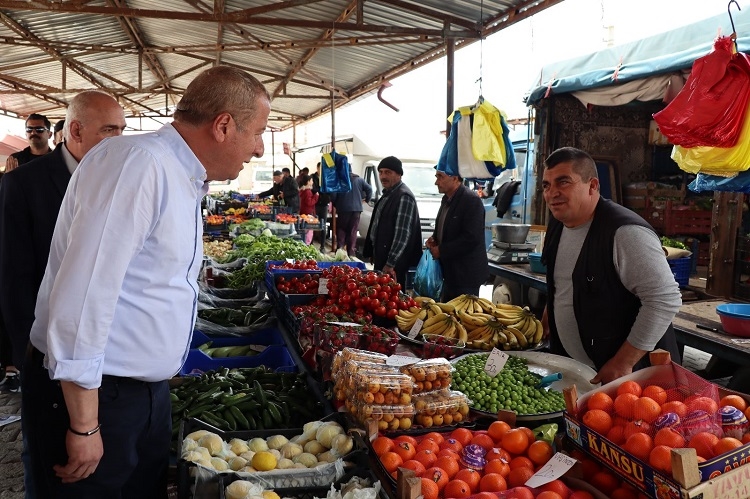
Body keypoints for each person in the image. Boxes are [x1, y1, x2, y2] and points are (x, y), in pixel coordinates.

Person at [23, 65, 270, 498]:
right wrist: (84, 425)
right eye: (258, 133)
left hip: (141, 394)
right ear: (224, 125)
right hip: (98, 395)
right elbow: (83, 296)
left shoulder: (179, 174)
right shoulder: (140, 165)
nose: (260, 150)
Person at [540, 147, 682, 385]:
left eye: (563, 182)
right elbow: (560, 282)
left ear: (593, 186)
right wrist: (549, 317)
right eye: (546, 185)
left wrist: (623, 362)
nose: (552, 193)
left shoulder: (625, 233)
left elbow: (664, 299)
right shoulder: (559, 223)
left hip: (632, 378)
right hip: (579, 370)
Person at [426, 170, 488, 301]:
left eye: (440, 177)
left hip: (465, 277)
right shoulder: (446, 199)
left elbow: (471, 238)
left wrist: (441, 250)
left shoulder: (471, 201)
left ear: (455, 178)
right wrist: (434, 239)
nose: (436, 182)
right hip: (448, 275)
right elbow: (445, 228)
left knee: (461, 318)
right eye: (436, 177)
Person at [363, 156, 422, 287]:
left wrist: (390, 263)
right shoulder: (388, 194)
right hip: (382, 259)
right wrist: (373, 251)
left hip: (394, 265)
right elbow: (378, 226)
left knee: (393, 301)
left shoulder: (404, 197)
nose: (383, 176)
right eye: (381, 172)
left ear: (399, 174)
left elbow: (402, 235)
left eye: (388, 172)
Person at [331, 171, 372, 257]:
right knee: (353, 231)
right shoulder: (359, 180)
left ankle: (340, 251)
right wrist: (366, 200)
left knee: (341, 229)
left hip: (343, 209)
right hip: (356, 210)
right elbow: (369, 189)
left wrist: (336, 204)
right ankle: (351, 253)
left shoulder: (339, 180)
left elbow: (333, 195)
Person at [311, 162, 331, 252]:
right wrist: (321, 191)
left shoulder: (327, 178)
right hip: (315, 204)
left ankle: (322, 246)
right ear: (317, 168)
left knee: (323, 226)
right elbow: (313, 190)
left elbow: (329, 190)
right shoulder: (312, 177)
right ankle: (310, 244)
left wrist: (321, 192)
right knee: (312, 224)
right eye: (320, 168)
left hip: (324, 205)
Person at [298, 174, 318, 245]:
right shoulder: (307, 191)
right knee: (308, 232)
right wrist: (316, 196)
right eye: (311, 180)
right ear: (308, 182)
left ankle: (305, 243)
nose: (312, 182)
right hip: (308, 213)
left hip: (303, 212)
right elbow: (309, 203)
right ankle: (307, 244)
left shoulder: (302, 190)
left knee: (304, 230)